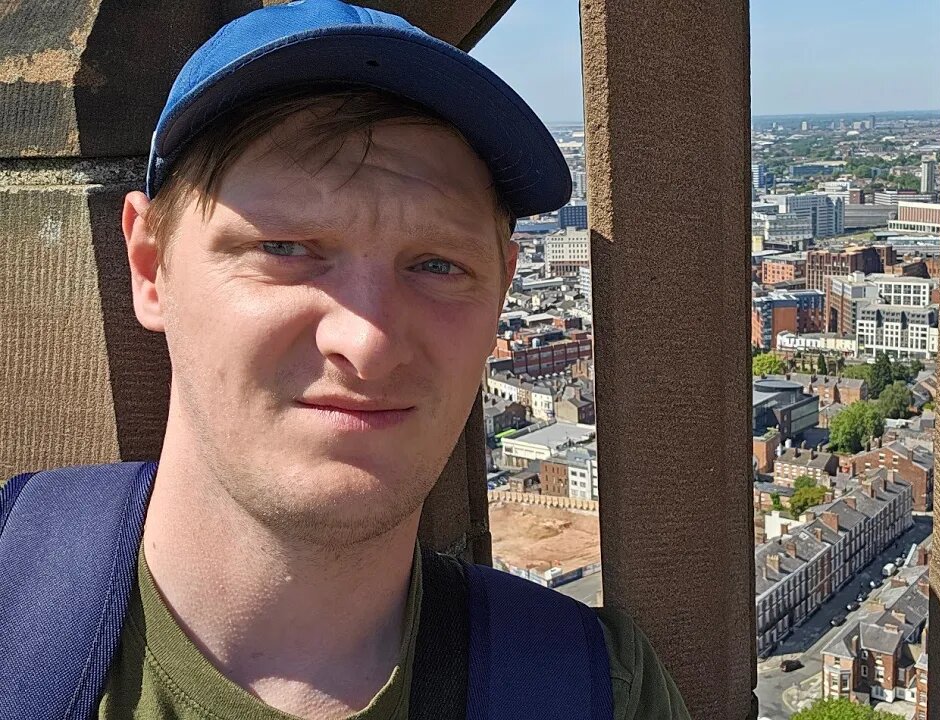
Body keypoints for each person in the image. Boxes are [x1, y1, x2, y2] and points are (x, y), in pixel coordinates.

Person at [0, 2, 690, 719]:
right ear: (150, 267)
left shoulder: (597, 692)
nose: (367, 343)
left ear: (502, 292)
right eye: (285, 248)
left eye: (436, 263)